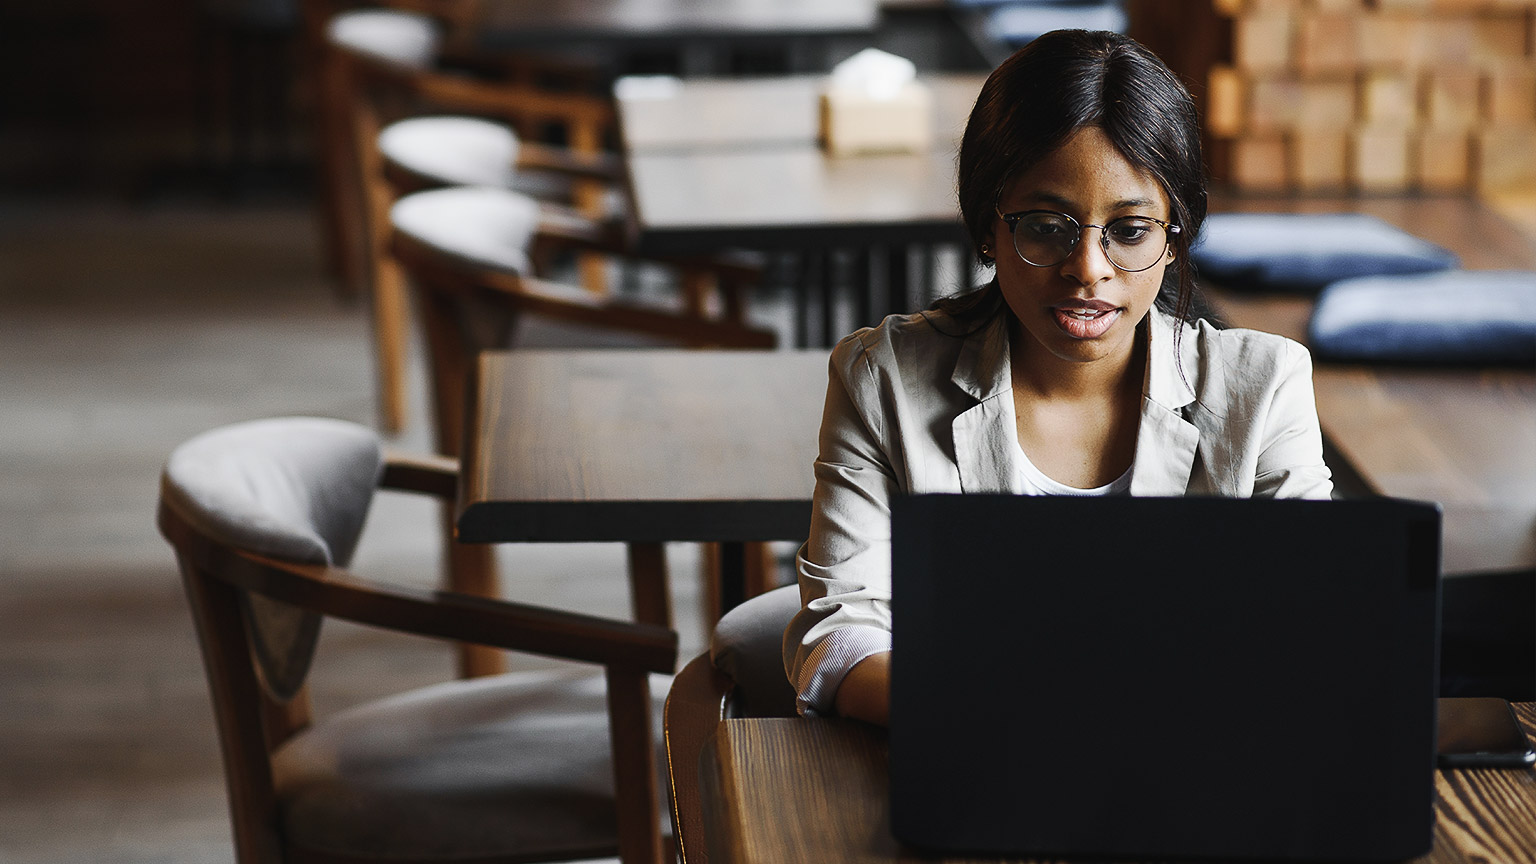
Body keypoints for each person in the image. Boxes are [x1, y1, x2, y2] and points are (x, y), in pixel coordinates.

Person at [783, 29, 1334, 726]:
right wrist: (992, 715)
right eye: (1046, 225)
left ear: (1175, 237)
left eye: (1130, 229)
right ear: (988, 226)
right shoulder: (884, 377)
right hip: (968, 756)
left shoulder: (1265, 387)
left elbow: (1314, 629)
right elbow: (840, 629)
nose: (1087, 269)